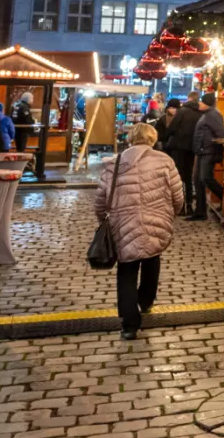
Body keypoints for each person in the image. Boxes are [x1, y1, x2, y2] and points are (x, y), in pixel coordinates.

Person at [95, 122, 185, 340]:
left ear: (130, 139)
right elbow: (177, 195)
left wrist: (103, 220)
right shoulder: (165, 161)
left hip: (123, 223)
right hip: (157, 219)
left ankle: (129, 324)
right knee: (152, 259)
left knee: (126, 270)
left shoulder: (113, 164)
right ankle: (145, 301)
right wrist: (172, 214)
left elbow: (101, 200)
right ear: (152, 139)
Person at [186, 93, 224, 220]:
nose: (199, 104)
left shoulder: (212, 115)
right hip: (202, 151)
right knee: (198, 181)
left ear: (207, 103)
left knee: (205, 178)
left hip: (208, 151)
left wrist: (214, 148)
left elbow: (221, 133)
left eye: (201, 102)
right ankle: (200, 211)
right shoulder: (207, 114)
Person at [165, 92, 201, 218]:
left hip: (178, 147)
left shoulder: (182, 111)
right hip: (192, 147)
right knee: (189, 175)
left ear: (189, 98)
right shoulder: (201, 112)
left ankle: (180, 206)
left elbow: (172, 128)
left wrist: (167, 135)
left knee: (178, 175)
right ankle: (189, 204)